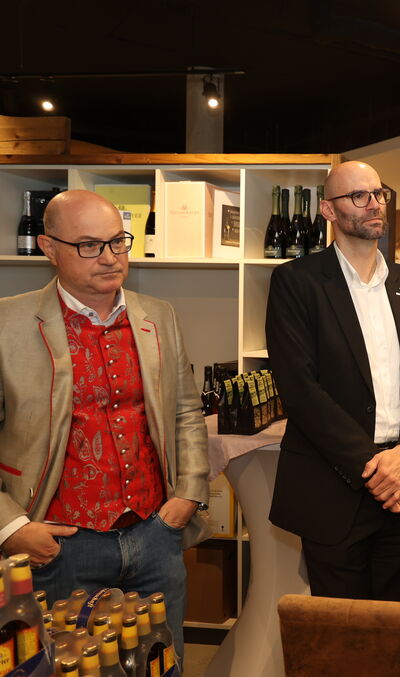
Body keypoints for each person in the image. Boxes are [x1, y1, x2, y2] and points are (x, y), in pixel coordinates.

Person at [0, 190, 210, 661]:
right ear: (48, 247)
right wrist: (11, 526)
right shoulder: (6, 322)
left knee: (162, 663)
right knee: (66, 666)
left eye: (118, 242)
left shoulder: (158, 315)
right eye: (89, 245)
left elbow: (185, 411)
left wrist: (188, 495)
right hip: (58, 546)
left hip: (156, 534)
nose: (111, 257)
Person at [265, 160, 400, 602]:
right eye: (359, 196)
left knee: (393, 627)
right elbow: (301, 391)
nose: (374, 204)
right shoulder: (296, 282)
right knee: (338, 632)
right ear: (328, 210)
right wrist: (376, 467)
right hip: (334, 487)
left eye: (379, 194)